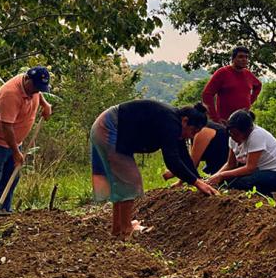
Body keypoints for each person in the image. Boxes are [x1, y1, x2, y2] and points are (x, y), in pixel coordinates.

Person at [90, 100, 218, 238]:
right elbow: (172, 161)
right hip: (109, 127)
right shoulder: (171, 123)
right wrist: (196, 183)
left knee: (123, 181)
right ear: (185, 121)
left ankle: (118, 229)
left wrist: (199, 179)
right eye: (193, 131)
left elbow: (183, 157)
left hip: (108, 126)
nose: (192, 136)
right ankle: (126, 229)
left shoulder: (176, 123)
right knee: (130, 180)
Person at [0, 66, 53, 214]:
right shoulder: (10, 94)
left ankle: (3, 212)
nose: (37, 90)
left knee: (11, 177)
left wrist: (44, 104)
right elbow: (6, 127)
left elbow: (37, 94)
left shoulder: (31, 87)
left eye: (40, 88)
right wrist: (16, 152)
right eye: (35, 87)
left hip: (13, 143)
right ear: (27, 79)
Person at [207, 110, 276, 196]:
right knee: (226, 183)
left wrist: (222, 175)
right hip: (259, 171)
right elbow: (230, 164)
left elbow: (250, 168)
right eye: (231, 133)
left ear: (247, 131)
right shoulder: (232, 138)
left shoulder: (256, 136)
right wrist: (215, 176)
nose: (233, 137)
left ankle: (266, 197)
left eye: (236, 134)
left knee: (242, 183)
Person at [202, 46, 262, 124]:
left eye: (246, 57)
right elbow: (207, 94)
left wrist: (250, 101)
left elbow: (258, 85)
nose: (244, 59)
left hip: (243, 122)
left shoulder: (248, 74)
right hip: (225, 122)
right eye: (240, 57)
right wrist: (215, 118)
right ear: (233, 59)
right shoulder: (222, 72)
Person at [162, 120, 230, 184]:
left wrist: (174, 173)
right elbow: (189, 159)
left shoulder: (203, 132)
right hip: (216, 168)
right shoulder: (193, 134)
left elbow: (193, 163)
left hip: (226, 168)